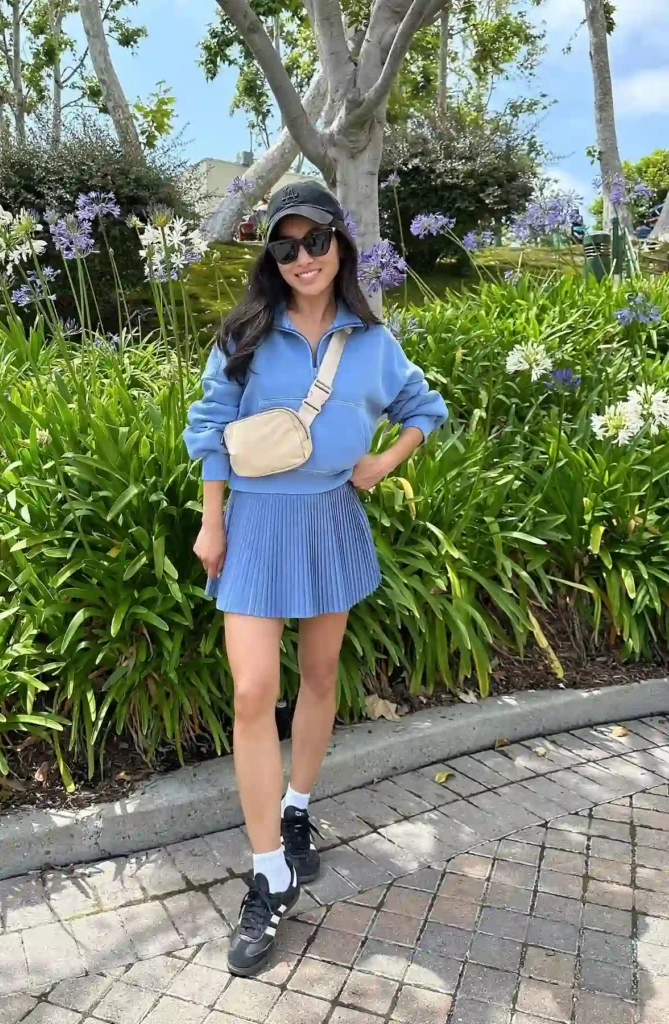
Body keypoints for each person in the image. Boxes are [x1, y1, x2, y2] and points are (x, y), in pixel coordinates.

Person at [183, 181, 448, 976]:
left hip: (330, 518)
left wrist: (378, 464)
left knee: (320, 674)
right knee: (251, 692)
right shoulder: (245, 331)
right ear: (271, 254)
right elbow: (208, 427)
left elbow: (423, 408)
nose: (302, 258)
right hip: (257, 525)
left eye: (315, 241)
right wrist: (211, 518)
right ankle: (267, 875)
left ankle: (296, 811)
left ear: (341, 245)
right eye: (285, 245)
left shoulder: (371, 340)